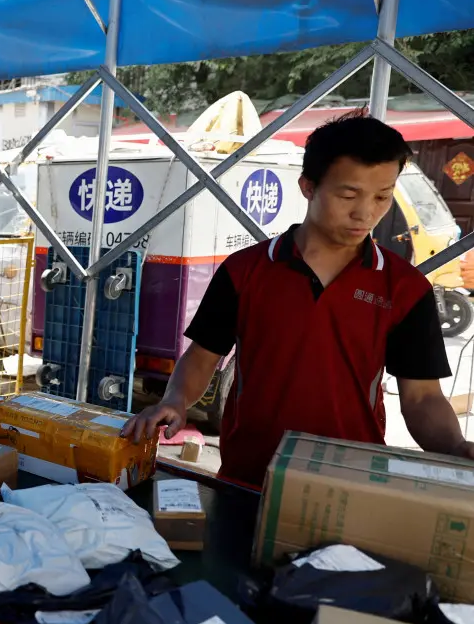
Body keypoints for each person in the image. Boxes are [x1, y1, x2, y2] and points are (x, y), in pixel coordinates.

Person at [123, 114, 474, 487]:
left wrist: (453, 446)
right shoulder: (245, 271)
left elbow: (421, 397)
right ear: (308, 186)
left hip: (351, 483)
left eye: (382, 197)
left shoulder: (405, 288)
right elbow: (202, 356)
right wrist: (175, 401)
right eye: (348, 195)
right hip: (249, 476)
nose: (365, 213)